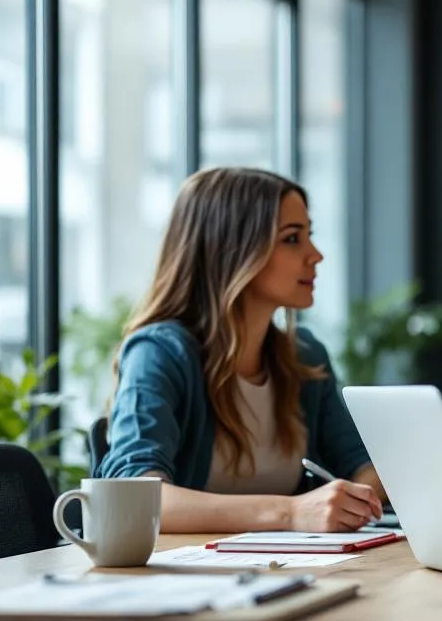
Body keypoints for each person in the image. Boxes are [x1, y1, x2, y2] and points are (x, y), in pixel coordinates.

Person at [98, 167, 384, 533]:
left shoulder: (305, 357)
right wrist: (291, 513)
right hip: (185, 581)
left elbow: (359, 465)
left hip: (290, 569)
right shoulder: (160, 353)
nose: (316, 255)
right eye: (293, 239)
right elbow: (135, 497)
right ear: (234, 249)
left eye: (308, 236)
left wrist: (369, 492)